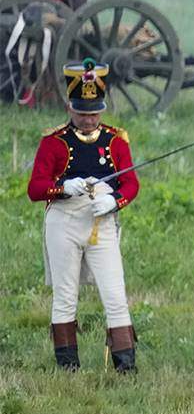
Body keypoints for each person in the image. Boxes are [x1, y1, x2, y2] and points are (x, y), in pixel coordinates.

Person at [27, 60, 136, 370]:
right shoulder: (54, 142)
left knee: (115, 293)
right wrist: (63, 187)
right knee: (65, 294)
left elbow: (131, 183)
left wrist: (115, 201)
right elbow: (35, 188)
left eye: (94, 112)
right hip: (64, 222)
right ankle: (68, 366)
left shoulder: (116, 140)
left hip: (101, 222)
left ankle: (125, 364)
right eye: (82, 113)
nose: (89, 120)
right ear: (70, 108)